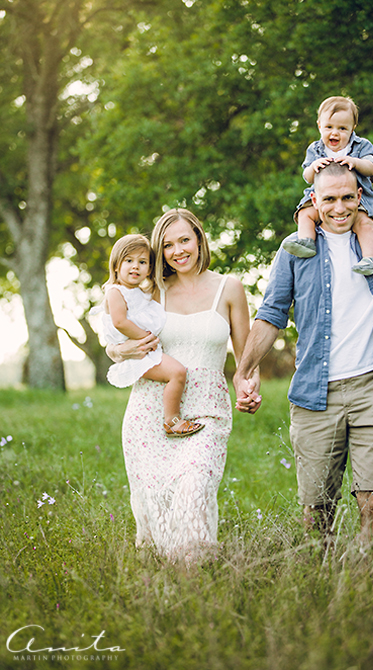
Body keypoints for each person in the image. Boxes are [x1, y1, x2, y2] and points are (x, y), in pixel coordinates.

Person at [234, 153, 373, 550]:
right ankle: (322, 585)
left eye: (346, 197)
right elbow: (271, 313)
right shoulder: (295, 250)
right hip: (314, 391)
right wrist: (244, 370)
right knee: (316, 513)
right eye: (328, 200)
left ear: (359, 195)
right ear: (313, 202)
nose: (338, 208)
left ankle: (368, 588)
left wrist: (361, 165)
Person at [106, 209, 254, 563]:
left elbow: (247, 359)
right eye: (168, 245)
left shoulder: (228, 288)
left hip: (206, 408)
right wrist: (118, 349)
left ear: (200, 239)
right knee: (157, 500)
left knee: (194, 489)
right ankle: (169, 589)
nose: (178, 251)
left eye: (184, 240)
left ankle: (195, 576)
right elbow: (114, 335)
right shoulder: (151, 291)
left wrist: (248, 386)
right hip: (150, 410)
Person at [95, 233, 203, 437]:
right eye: (129, 260)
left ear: (149, 269)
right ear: (116, 265)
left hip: (144, 349)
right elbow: (119, 322)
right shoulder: (115, 291)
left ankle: (172, 418)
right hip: (139, 352)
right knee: (177, 373)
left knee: (177, 373)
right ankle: (172, 420)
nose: (135, 266)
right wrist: (146, 338)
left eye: (142, 262)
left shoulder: (141, 292)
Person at [281, 95, 373, 276]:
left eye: (342, 128)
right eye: (329, 127)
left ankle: (369, 259)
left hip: (359, 199)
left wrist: (355, 162)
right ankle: (306, 241)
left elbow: (371, 168)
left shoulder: (361, 146)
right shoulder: (315, 149)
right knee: (305, 214)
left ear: (353, 128)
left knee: (364, 224)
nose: (335, 133)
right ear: (319, 125)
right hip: (321, 198)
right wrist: (313, 167)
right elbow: (307, 176)